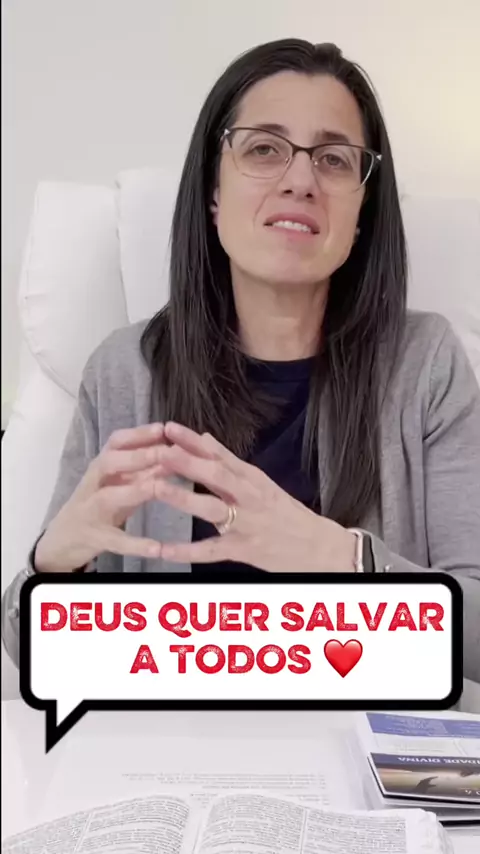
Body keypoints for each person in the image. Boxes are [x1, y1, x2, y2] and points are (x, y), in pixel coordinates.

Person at [2, 40, 480, 681]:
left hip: (358, 732)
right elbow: (32, 656)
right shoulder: (123, 371)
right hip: (166, 734)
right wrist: (53, 564)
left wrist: (339, 557)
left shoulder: (427, 365)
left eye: (334, 159)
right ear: (213, 191)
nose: (300, 180)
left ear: (362, 211)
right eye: (263, 149)